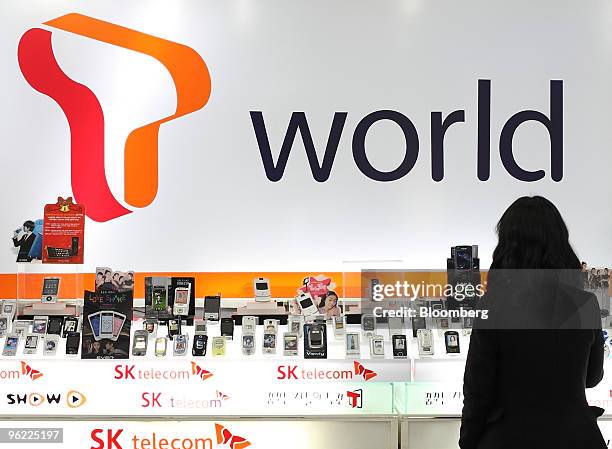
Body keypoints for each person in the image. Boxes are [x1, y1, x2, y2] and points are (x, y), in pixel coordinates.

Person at [460, 196, 605, 449]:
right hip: (577, 436)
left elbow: (478, 390)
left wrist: (469, 441)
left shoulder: (493, 304)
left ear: (507, 245)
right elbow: (592, 377)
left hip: (509, 437)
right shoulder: (586, 303)